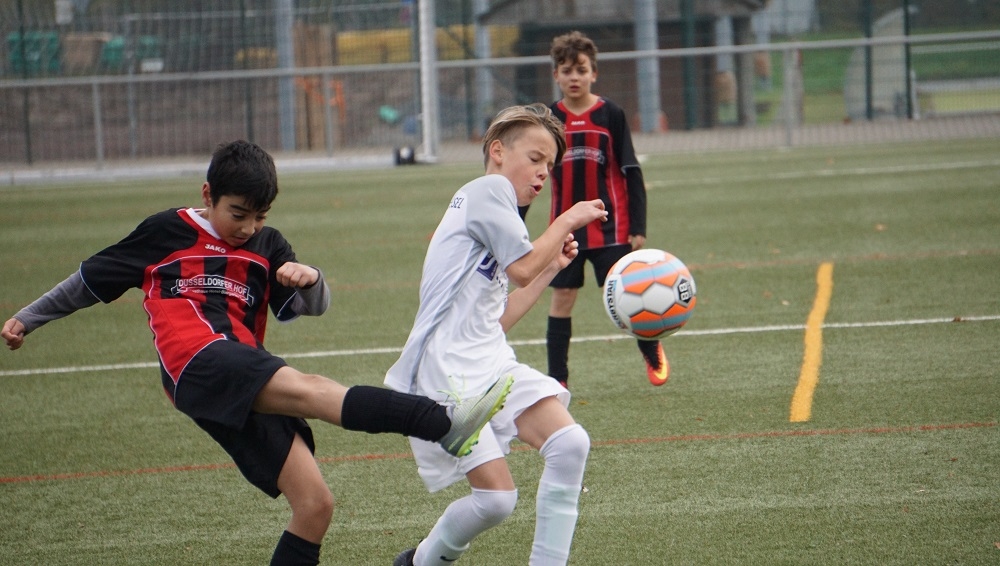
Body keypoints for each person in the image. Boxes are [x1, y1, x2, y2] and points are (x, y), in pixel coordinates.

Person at [1, 140, 511, 566]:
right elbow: (89, 280)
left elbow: (313, 306)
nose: (247, 227)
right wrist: (28, 317)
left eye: (259, 216)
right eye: (237, 214)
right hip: (196, 360)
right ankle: (442, 422)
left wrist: (311, 278)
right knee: (311, 390)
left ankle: (442, 424)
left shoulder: (268, 246)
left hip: (241, 370)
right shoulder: (165, 232)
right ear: (208, 195)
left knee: (314, 505)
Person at [386, 103, 608, 566]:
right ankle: (421, 562)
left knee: (570, 443)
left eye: (550, 165)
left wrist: (552, 267)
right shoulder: (487, 191)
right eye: (535, 158)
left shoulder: (499, 211)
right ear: (498, 151)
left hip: (488, 360)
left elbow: (497, 317)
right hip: (446, 372)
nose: (543, 172)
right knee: (496, 501)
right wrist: (566, 220)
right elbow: (523, 267)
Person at [546, 30, 670, 387]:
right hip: (565, 230)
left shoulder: (611, 114)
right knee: (562, 298)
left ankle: (651, 351)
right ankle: (557, 379)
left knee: (629, 294)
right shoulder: (548, 118)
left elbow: (631, 170)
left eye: (581, 70)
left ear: (594, 73)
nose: (574, 77)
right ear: (556, 75)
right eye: (567, 70)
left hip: (611, 228)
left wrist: (638, 226)